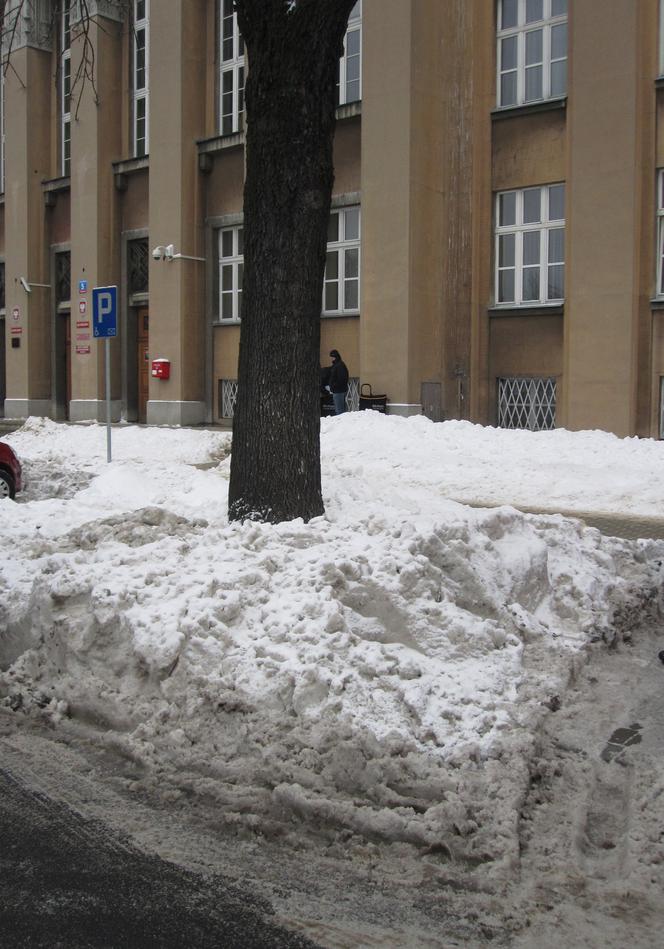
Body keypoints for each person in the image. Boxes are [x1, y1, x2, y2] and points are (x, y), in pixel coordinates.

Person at [328, 349, 349, 415]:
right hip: (338, 390)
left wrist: (333, 386)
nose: (331, 359)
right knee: (341, 410)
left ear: (335, 357)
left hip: (339, 391)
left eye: (331, 357)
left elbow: (342, 379)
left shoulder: (339, 365)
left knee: (340, 412)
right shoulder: (337, 365)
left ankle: (342, 424)